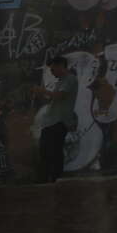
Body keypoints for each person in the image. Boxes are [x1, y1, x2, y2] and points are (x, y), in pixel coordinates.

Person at [33, 54, 76, 182]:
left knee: (54, 152)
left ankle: (55, 180)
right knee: (45, 152)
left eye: (53, 70)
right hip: (50, 122)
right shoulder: (61, 81)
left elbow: (60, 96)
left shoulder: (70, 79)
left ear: (61, 66)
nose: (52, 73)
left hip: (58, 122)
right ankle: (46, 180)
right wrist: (42, 94)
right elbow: (54, 98)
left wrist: (43, 91)